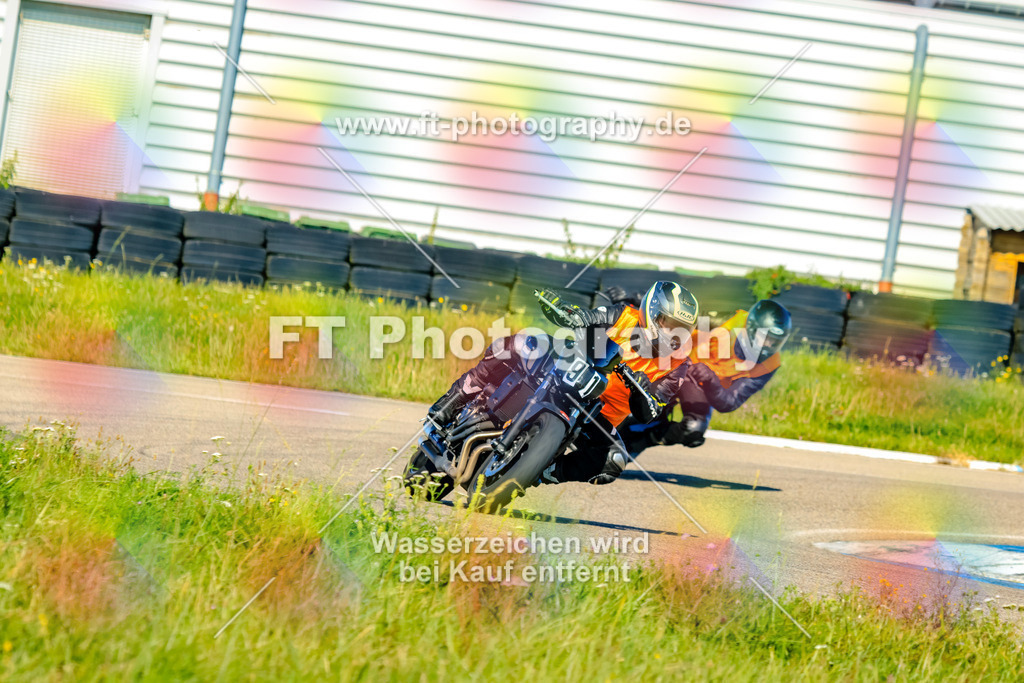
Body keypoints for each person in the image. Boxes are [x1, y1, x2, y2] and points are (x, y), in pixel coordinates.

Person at [421, 281, 700, 484]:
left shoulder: (678, 364)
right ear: (651, 311)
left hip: (597, 415)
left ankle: (543, 471)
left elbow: (650, 410)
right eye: (667, 322)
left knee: (613, 460)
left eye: (680, 328)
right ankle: (456, 399)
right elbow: (593, 317)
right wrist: (575, 315)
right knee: (518, 343)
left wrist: (639, 389)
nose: (672, 332)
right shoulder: (624, 315)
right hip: (570, 375)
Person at [614, 297, 793, 463]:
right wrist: (635, 303)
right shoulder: (728, 320)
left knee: (694, 428)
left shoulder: (769, 365)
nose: (768, 347)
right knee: (636, 400)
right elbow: (680, 315)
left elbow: (729, 402)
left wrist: (711, 381)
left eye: (775, 342)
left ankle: (640, 442)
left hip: (700, 386)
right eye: (765, 339)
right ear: (751, 329)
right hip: (674, 363)